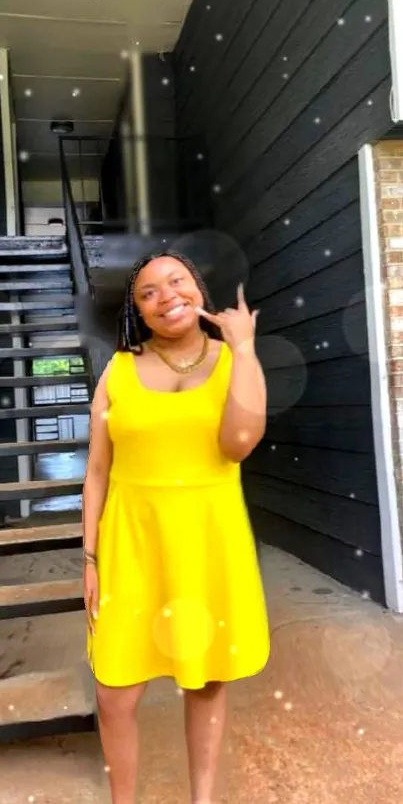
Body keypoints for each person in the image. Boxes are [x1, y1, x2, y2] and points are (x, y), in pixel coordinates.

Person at [82, 251, 270, 804]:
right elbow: (96, 472)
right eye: (148, 292)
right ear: (138, 310)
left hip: (208, 542)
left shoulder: (235, 358)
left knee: (205, 679)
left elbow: (238, 444)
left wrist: (245, 348)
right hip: (130, 543)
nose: (166, 296)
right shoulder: (118, 369)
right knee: (115, 689)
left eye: (177, 280)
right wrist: (89, 559)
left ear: (197, 288)